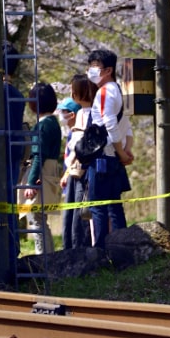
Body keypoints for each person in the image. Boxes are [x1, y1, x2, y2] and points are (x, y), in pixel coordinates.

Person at [84, 48, 131, 246]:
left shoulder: (104, 92)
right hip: (114, 158)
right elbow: (127, 125)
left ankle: (101, 252)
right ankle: (122, 248)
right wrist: (126, 151)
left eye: (95, 67)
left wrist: (121, 151)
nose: (91, 71)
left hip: (103, 156)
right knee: (114, 206)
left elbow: (110, 123)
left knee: (98, 206)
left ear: (108, 70)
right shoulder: (118, 90)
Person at [20, 83, 63, 255]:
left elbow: (38, 155)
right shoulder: (53, 123)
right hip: (51, 169)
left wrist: (31, 182)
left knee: (36, 220)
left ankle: (43, 258)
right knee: (41, 219)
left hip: (42, 171)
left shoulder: (42, 126)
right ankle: (48, 255)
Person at [61, 77, 96, 251]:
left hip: (81, 168)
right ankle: (76, 245)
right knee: (79, 210)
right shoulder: (92, 112)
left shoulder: (85, 114)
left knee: (79, 211)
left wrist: (71, 161)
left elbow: (79, 143)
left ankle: (77, 248)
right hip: (81, 168)